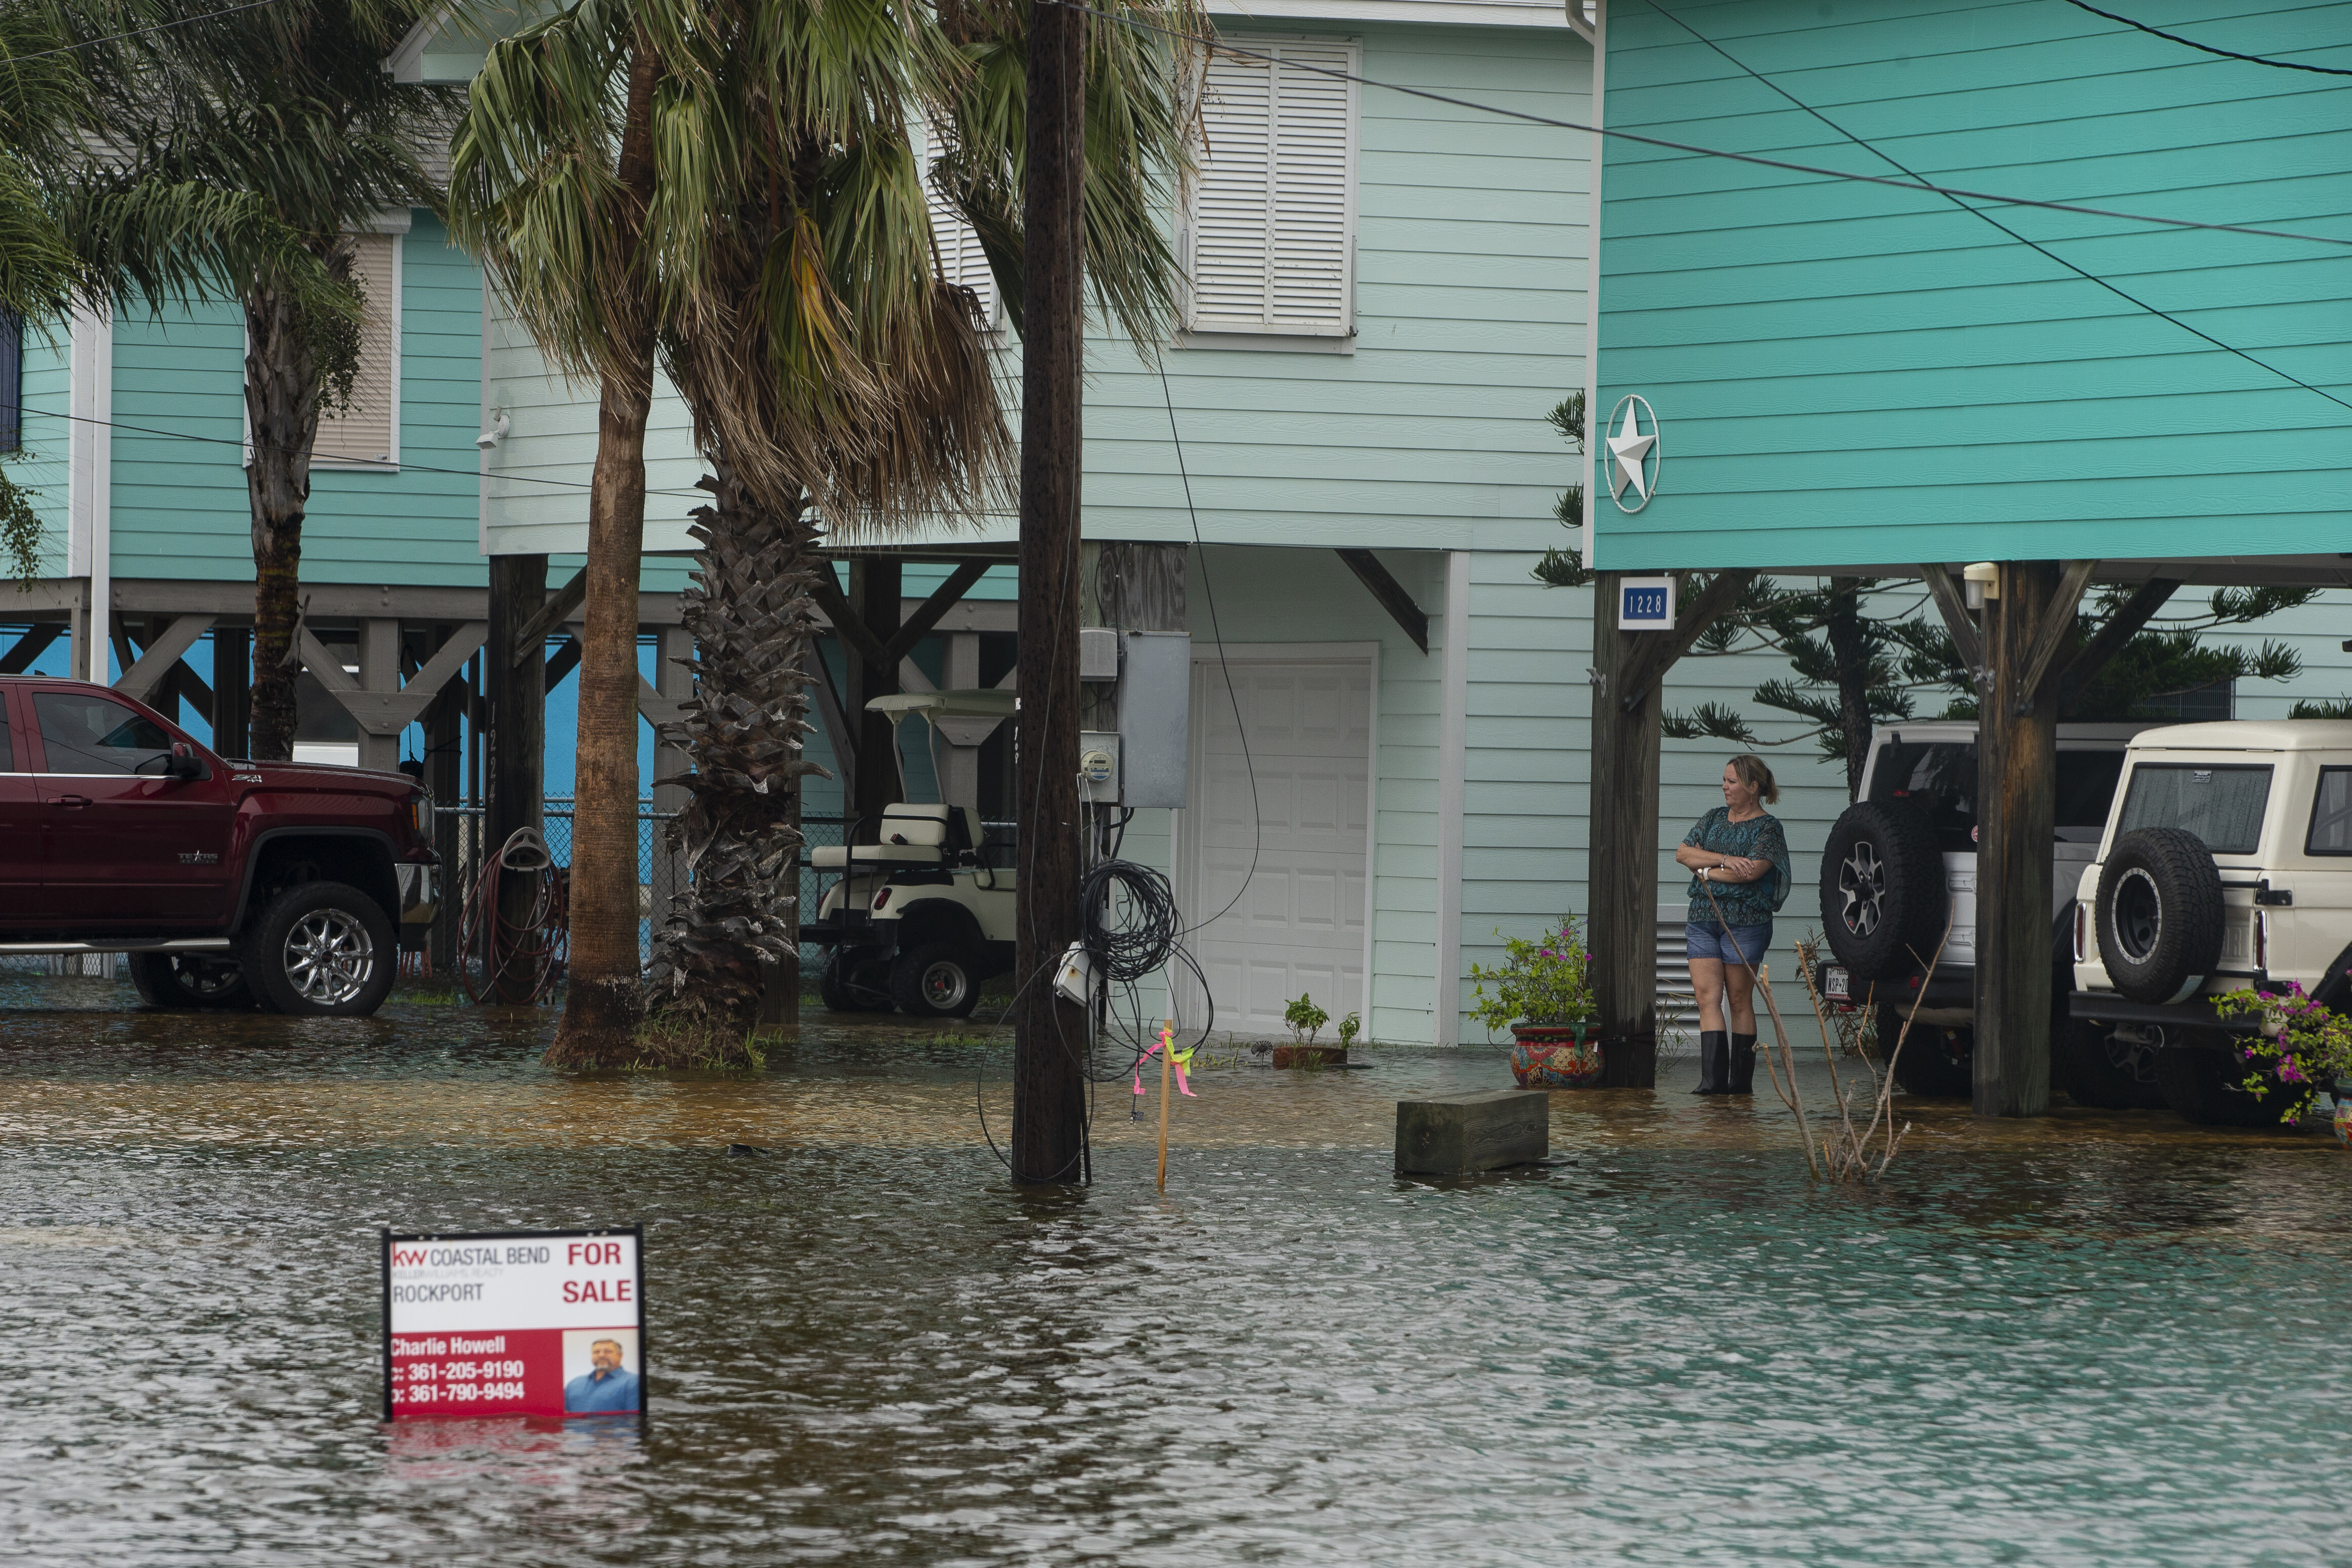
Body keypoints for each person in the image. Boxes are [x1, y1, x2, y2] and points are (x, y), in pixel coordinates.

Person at [1673, 754, 1791, 1096]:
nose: (1724, 786)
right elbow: (1683, 853)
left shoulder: (1769, 828)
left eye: (1732, 781)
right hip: (1702, 918)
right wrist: (1723, 861)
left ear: (1753, 787)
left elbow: (1752, 871)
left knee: (1739, 999)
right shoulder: (1712, 818)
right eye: (1724, 780)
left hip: (1746, 923)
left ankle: (1740, 1083)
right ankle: (1711, 1081)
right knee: (1706, 996)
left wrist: (1705, 869)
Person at [564, 1338, 641, 1413]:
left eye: (608, 1351)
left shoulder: (634, 1382)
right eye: (597, 1352)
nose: (601, 1355)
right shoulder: (573, 1384)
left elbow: (635, 1421)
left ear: (620, 1356)